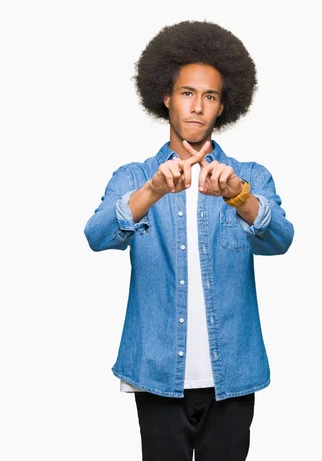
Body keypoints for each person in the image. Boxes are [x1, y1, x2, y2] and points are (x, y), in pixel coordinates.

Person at [84, 20, 294, 461]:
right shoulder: (136, 177)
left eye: (210, 96)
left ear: (223, 107)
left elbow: (281, 239)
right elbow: (98, 235)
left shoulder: (248, 177)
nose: (197, 107)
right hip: (157, 372)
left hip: (232, 373)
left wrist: (240, 198)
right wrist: (153, 192)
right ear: (166, 97)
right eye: (187, 93)